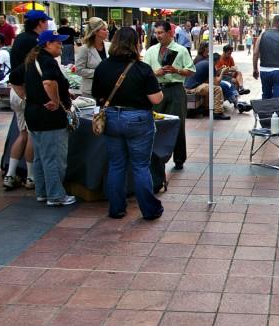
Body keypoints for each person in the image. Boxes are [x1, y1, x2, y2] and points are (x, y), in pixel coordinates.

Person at [92, 27, 164, 220]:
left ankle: (116, 209)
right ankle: (149, 210)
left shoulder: (103, 66)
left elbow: (96, 95)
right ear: (136, 44)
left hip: (111, 118)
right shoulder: (142, 69)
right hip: (138, 119)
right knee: (140, 166)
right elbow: (156, 99)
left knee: (116, 165)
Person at [24, 30, 74, 206]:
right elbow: (49, 82)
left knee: (41, 156)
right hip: (49, 117)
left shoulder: (32, 60)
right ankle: (55, 195)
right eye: (57, 42)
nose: (61, 45)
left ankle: (43, 192)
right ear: (47, 44)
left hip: (33, 113)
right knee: (54, 157)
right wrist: (55, 100)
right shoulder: (48, 61)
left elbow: (15, 79)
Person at [4, 10, 50, 190]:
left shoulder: (20, 38)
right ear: (39, 23)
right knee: (32, 134)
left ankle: (10, 174)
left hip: (15, 91)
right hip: (26, 91)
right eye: (45, 22)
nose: (47, 25)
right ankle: (31, 177)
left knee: (23, 133)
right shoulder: (35, 41)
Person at [144, 20, 195, 171]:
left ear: (169, 33)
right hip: (156, 90)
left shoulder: (181, 50)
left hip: (175, 89)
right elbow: (144, 73)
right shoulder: (151, 50)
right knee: (154, 124)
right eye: (156, 33)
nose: (157, 36)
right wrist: (156, 73)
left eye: (160, 33)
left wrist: (176, 70)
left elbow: (191, 70)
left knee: (178, 124)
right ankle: (155, 158)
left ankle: (179, 159)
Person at [252, 15, 279, 100]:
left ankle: (266, 112)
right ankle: (276, 113)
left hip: (264, 70)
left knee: (266, 95)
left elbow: (255, 53)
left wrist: (255, 69)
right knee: (278, 98)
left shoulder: (262, 36)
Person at [75, 17, 109, 96]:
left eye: (106, 29)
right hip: (90, 91)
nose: (107, 31)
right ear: (95, 32)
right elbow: (79, 70)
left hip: (107, 90)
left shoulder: (109, 46)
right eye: (104, 29)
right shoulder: (84, 49)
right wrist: (98, 73)